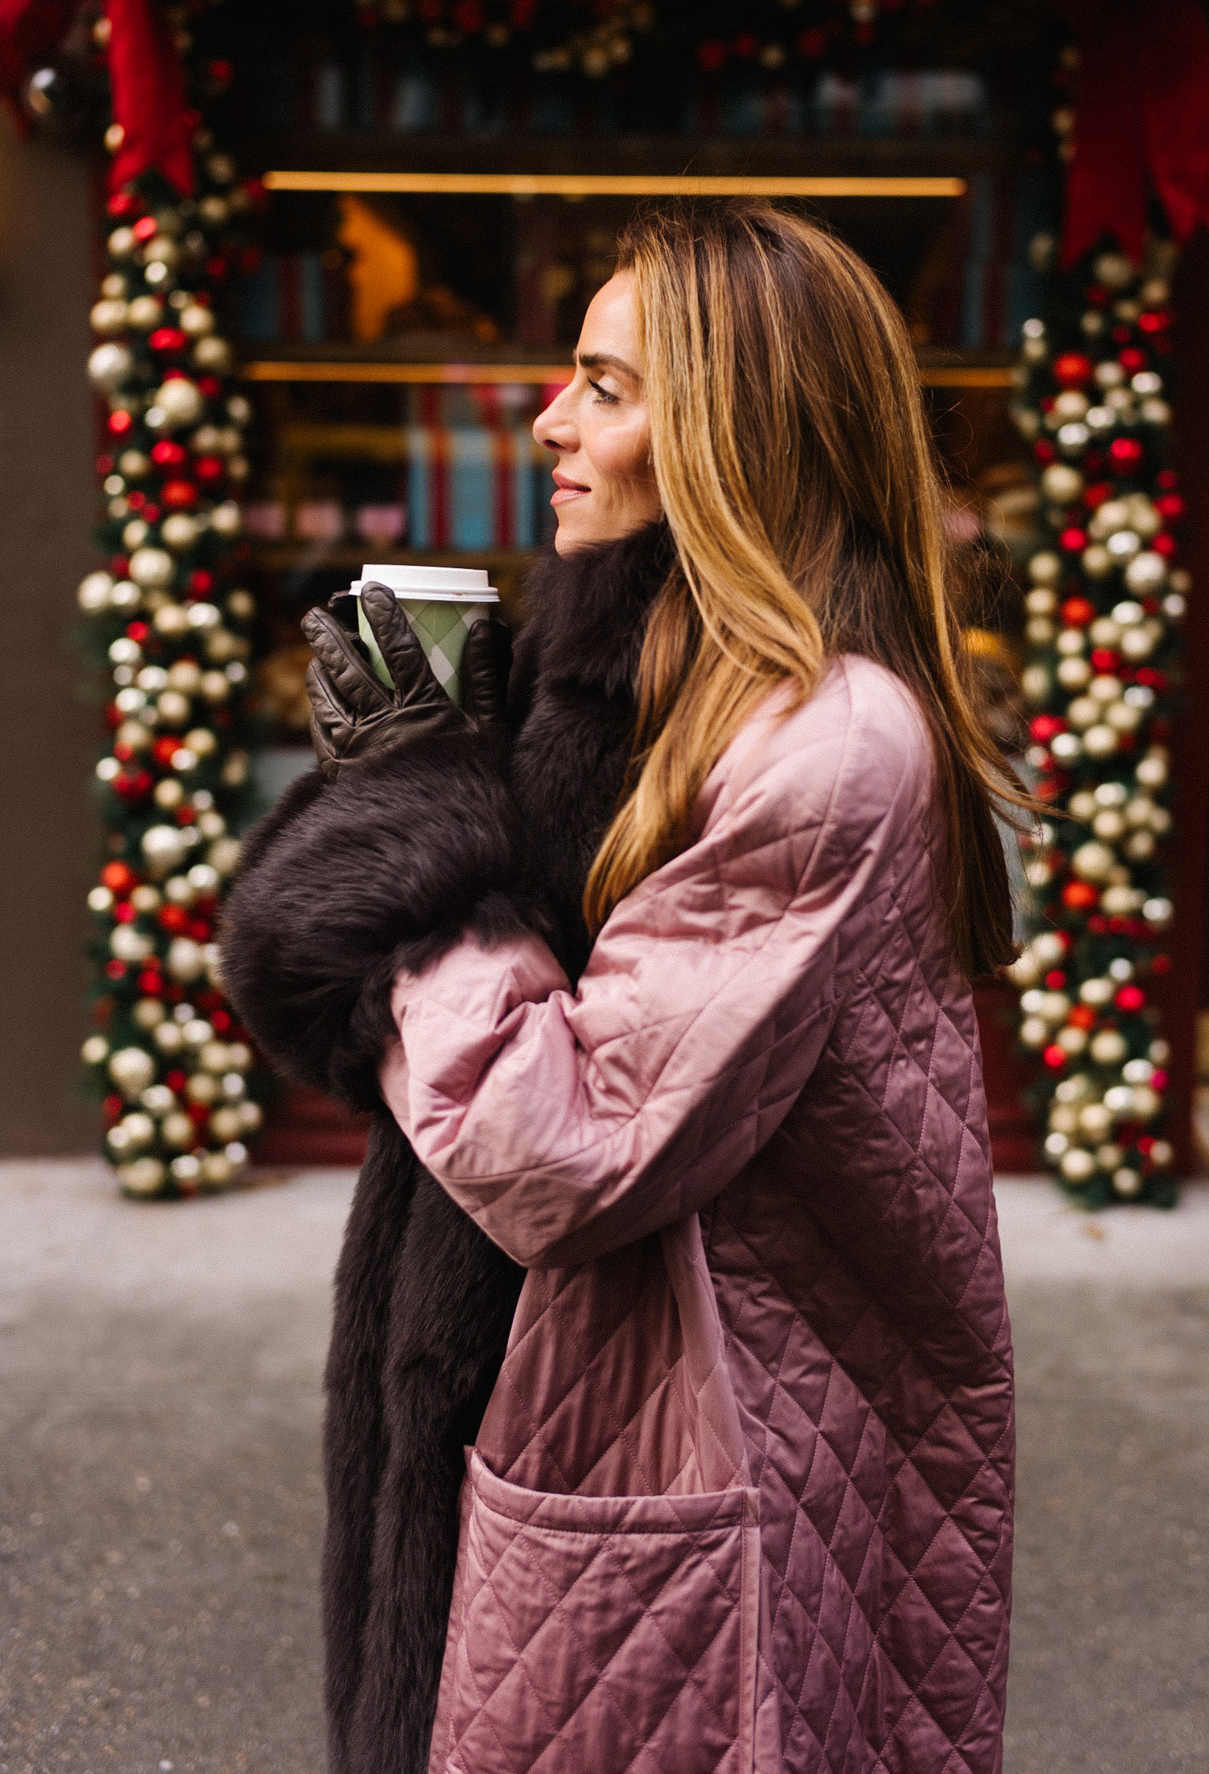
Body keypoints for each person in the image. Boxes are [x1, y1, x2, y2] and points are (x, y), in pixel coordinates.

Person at [221, 201, 1017, 1774]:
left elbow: (562, 1151)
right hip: (571, 1395)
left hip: (689, 1435)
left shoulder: (826, 739)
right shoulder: (646, 681)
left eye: (607, 383)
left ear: (735, 432)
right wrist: (454, 769)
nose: (550, 419)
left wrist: (423, 801)